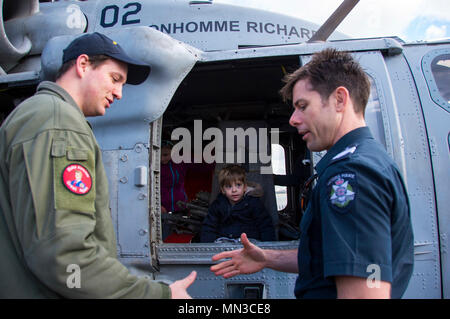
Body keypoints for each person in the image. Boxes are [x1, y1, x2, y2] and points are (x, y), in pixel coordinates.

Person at [0, 32, 196, 298]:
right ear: (83, 65)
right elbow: (66, 258)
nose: (119, 93)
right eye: (115, 79)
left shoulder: (40, 114)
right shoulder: (60, 124)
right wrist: (160, 295)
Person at [210, 48, 414, 299]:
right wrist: (267, 257)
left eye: (302, 106)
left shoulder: (351, 175)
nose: (293, 119)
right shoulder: (364, 160)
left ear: (340, 99)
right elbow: (330, 256)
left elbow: (365, 294)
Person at [200, 164, 276, 243]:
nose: (234, 190)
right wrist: (208, 246)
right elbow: (209, 227)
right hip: (225, 241)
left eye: (238, 185)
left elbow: (265, 225)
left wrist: (267, 247)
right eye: (229, 186)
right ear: (223, 190)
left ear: (245, 187)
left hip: (249, 241)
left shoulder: (253, 203)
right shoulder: (218, 204)